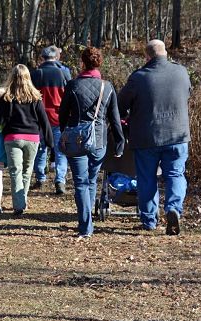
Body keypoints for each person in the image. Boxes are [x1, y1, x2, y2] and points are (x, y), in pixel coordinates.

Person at [118, 39, 191, 235]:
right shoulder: (182, 72)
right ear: (165, 52)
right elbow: (187, 95)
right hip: (178, 134)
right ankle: (173, 209)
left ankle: (149, 220)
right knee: (175, 174)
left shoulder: (139, 77)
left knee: (147, 178)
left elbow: (120, 104)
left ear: (147, 56)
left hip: (146, 137)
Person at [59, 47, 125, 238]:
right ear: (99, 63)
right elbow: (115, 118)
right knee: (91, 180)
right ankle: (87, 223)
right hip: (98, 141)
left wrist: (65, 133)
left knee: (80, 182)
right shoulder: (108, 86)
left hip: (77, 140)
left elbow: (62, 114)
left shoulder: (72, 85)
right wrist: (120, 143)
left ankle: (85, 227)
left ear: (82, 63)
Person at [0, 64, 53, 215]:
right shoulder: (36, 98)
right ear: (28, 78)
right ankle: (21, 202)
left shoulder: (6, 98)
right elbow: (44, 121)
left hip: (13, 138)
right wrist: (49, 141)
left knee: (15, 172)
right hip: (32, 138)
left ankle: (19, 205)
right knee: (27, 172)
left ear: (12, 78)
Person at [31, 45, 71, 195]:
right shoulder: (64, 72)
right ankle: (60, 180)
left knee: (41, 149)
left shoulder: (36, 74)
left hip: (40, 118)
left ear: (43, 57)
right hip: (60, 117)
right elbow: (70, 95)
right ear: (56, 57)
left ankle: (40, 178)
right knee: (61, 151)